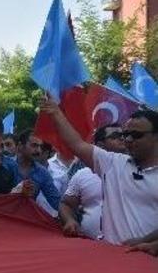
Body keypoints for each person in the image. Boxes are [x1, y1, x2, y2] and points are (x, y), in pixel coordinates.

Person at [42, 100, 158, 249]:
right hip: (109, 258)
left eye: (136, 135)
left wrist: (146, 243)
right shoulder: (112, 163)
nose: (128, 140)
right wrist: (56, 113)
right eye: (126, 134)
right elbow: (76, 143)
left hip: (148, 265)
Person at [59, 123, 126, 240]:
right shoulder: (83, 174)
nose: (122, 138)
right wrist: (69, 220)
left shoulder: (139, 172)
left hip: (131, 249)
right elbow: (66, 204)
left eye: (124, 135)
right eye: (115, 136)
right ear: (100, 145)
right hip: (90, 248)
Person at [14, 130, 60, 215]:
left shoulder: (42, 172)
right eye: (34, 145)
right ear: (20, 146)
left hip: (29, 222)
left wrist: (69, 217)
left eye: (40, 146)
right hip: (4, 219)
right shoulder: (6, 166)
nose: (38, 150)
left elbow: (56, 201)